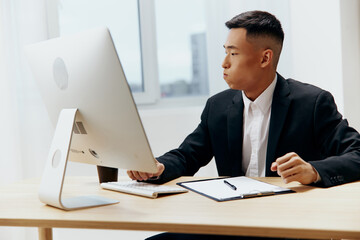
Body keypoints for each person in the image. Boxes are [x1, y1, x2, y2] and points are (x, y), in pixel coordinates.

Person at [127, 10, 360, 240]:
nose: (224, 63)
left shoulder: (312, 103)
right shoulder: (217, 106)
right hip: (233, 223)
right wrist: (157, 167)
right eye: (225, 52)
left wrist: (313, 171)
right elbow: (187, 156)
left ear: (264, 58)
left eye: (234, 53)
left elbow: (357, 154)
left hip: (290, 226)